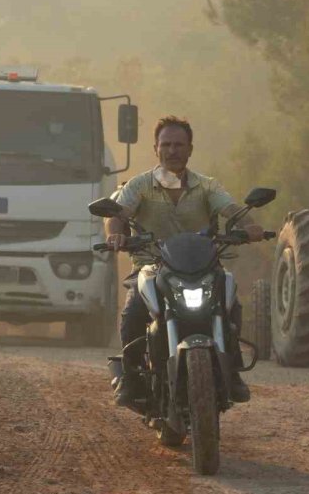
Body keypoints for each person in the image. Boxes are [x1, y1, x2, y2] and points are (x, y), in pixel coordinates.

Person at [105, 115, 264, 406]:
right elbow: (117, 215)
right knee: (133, 312)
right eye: (166, 144)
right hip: (151, 266)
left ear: (190, 149)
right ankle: (130, 375)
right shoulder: (140, 185)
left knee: (231, 301)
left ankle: (233, 367)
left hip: (202, 266)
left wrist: (250, 227)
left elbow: (231, 209)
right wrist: (116, 235)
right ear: (156, 148)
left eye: (179, 144)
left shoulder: (207, 186)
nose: (172, 150)